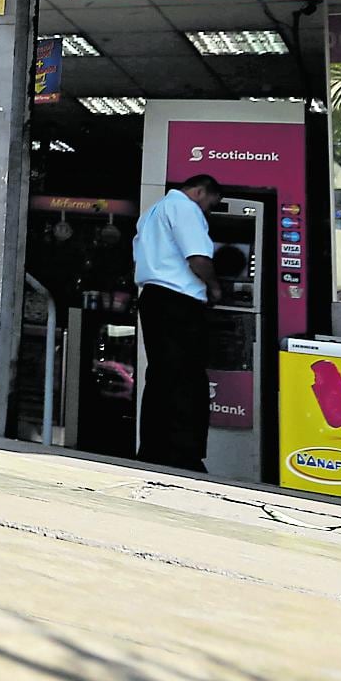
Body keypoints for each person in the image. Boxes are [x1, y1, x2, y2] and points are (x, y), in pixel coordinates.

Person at [132, 173, 223, 472]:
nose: (208, 211)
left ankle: (153, 449)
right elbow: (198, 258)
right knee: (187, 378)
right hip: (179, 302)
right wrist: (214, 287)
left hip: (153, 298)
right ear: (199, 192)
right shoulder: (185, 208)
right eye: (210, 204)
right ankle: (183, 455)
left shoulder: (152, 213)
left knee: (160, 377)